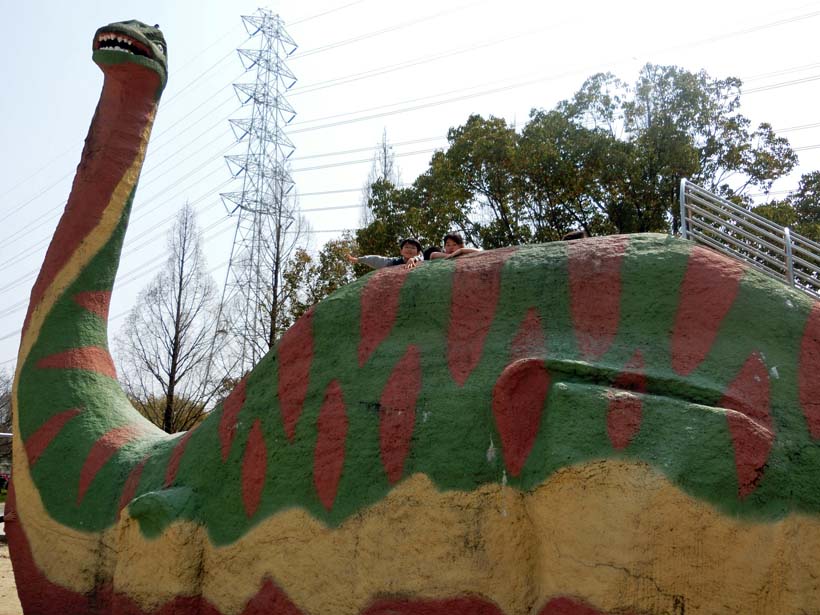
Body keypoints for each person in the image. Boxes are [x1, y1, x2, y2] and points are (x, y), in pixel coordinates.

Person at [346, 238, 424, 270]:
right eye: (406, 247)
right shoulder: (394, 262)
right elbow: (376, 260)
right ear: (401, 251)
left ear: (417, 252)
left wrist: (414, 259)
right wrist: (358, 260)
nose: (409, 250)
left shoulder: (421, 259)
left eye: (413, 248)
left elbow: (422, 257)